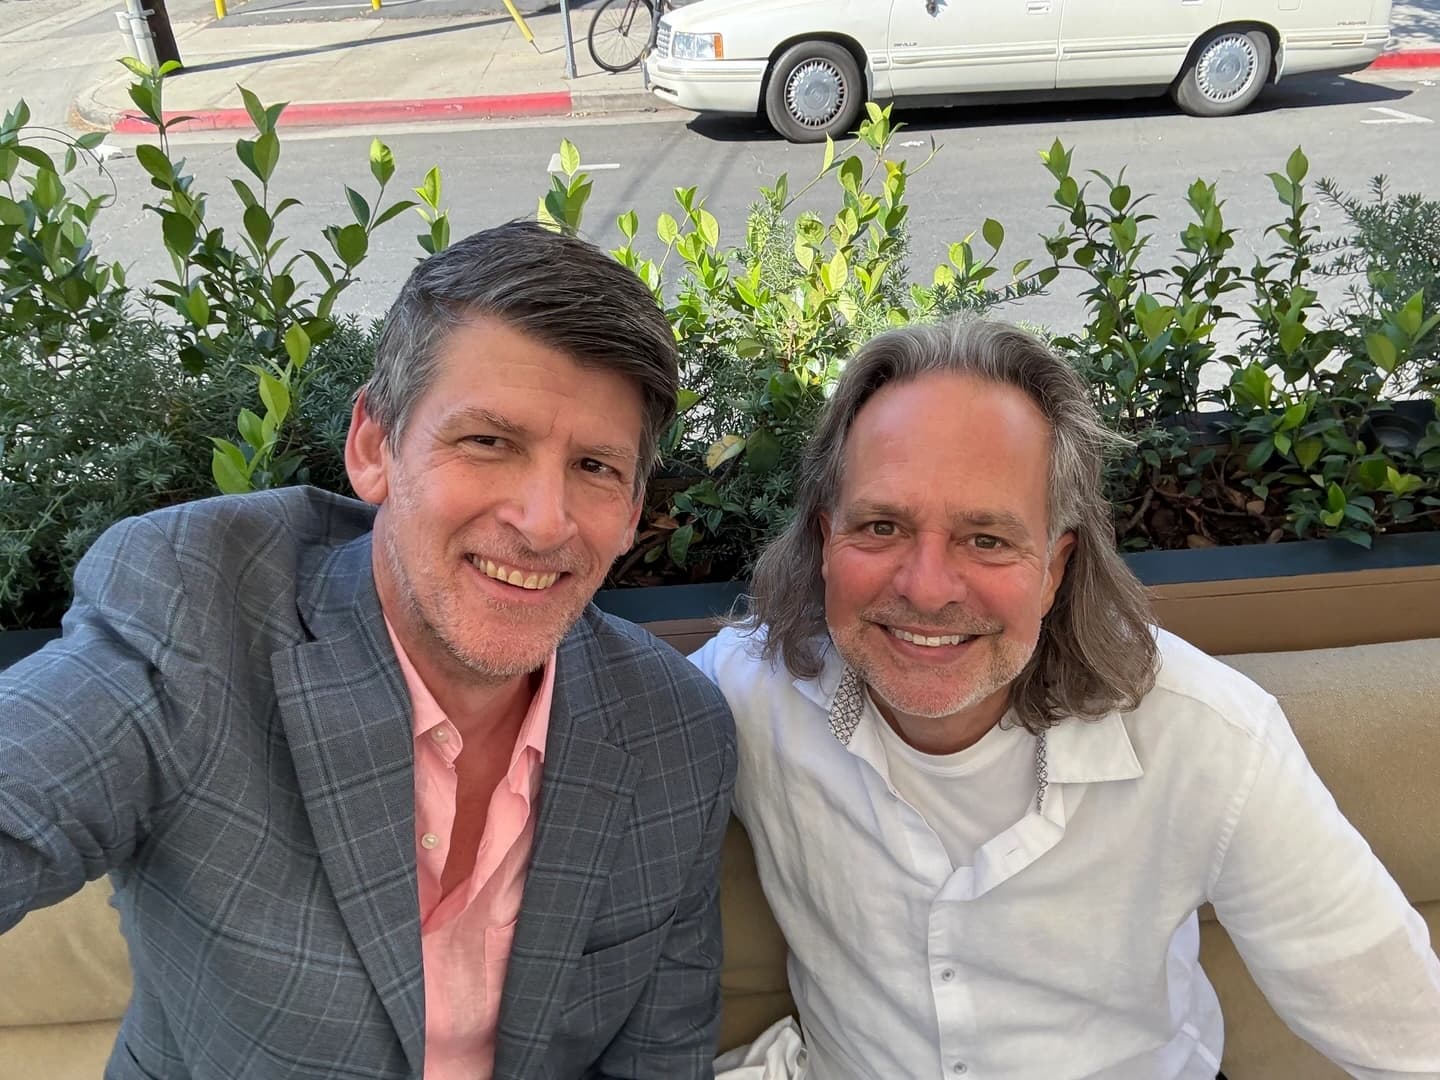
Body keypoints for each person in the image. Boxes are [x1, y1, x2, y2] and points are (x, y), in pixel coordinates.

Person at [0, 220, 736, 1080]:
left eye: (596, 467)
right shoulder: (197, 618)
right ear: (374, 447)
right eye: (488, 441)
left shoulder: (674, 734)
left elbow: (659, 1062)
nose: (544, 521)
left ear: (636, 503)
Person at [694, 319, 1440, 1080]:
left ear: (1056, 566)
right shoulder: (748, 692)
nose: (924, 587)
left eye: (986, 539)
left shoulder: (1208, 741)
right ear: (826, 542)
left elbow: (1408, 1034)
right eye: (882, 526)